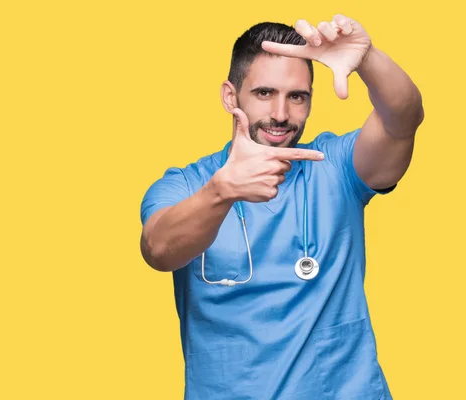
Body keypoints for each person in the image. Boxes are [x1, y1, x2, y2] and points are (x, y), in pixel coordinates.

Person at [139, 14, 423, 400]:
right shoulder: (187, 184)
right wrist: (220, 193)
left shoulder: (335, 165)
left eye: (297, 96)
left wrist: (367, 57)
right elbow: (157, 249)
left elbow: (403, 119)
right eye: (263, 93)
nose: (280, 114)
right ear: (230, 96)